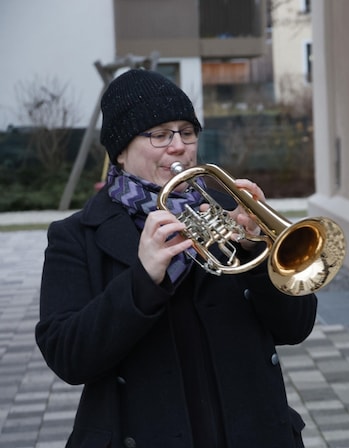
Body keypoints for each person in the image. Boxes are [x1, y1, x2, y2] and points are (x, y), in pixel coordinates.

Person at [35, 69, 316, 448]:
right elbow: (68, 357)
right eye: (159, 134)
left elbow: (295, 328)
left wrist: (256, 248)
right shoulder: (75, 236)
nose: (179, 146)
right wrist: (143, 280)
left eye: (187, 131)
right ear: (120, 150)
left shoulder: (230, 212)